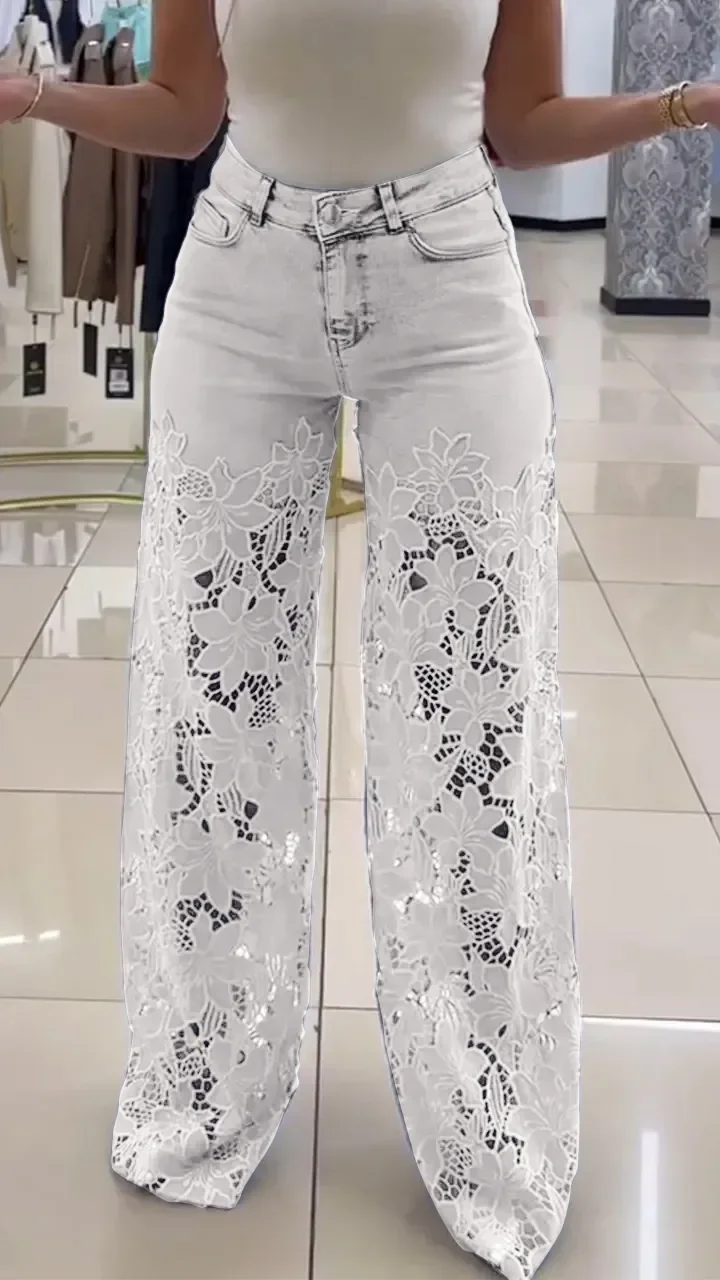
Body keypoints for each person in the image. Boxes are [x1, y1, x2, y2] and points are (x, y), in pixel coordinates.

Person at [1, 4, 718, 1276]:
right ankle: (202, 1085)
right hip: (241, 274)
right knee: (212, 728)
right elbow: (185, 108)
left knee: (472, 731)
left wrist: (681, 107)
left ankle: (491, 1118)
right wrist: (38, 99)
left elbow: (523, 125)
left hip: (450, 284)